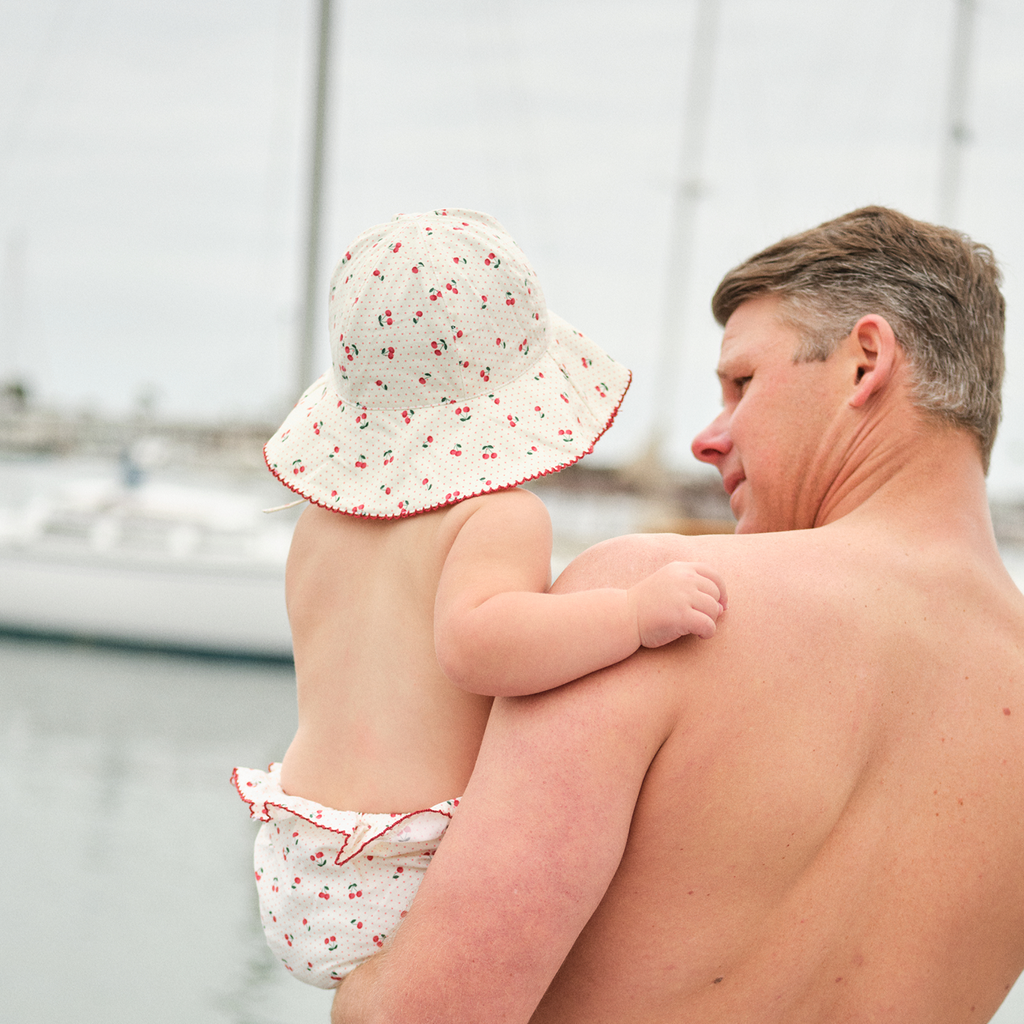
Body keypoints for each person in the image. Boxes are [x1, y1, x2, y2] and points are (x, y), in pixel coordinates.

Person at [331, 206, 1024, 1023]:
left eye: (742, 383)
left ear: (866, 361)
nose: (708, 437)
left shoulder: (656, 598)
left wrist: (350, 969)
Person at [231, 208, 726, 987]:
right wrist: (633, 616)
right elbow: (480, 645)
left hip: (301, 854)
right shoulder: (497, 513)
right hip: (407, 862)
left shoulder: (320, 525)